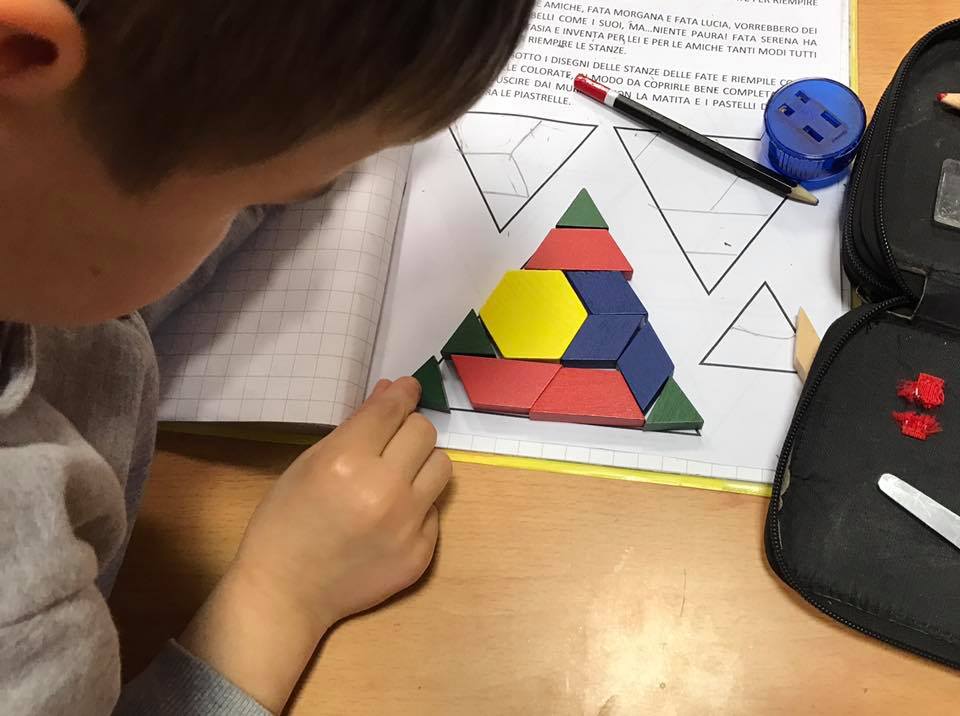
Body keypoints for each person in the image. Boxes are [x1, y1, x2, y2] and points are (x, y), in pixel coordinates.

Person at [0, 1, 536, 713]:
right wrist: (278, 597)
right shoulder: (25, 633)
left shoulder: (40, 233)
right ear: (22, 53)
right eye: (246, 194)